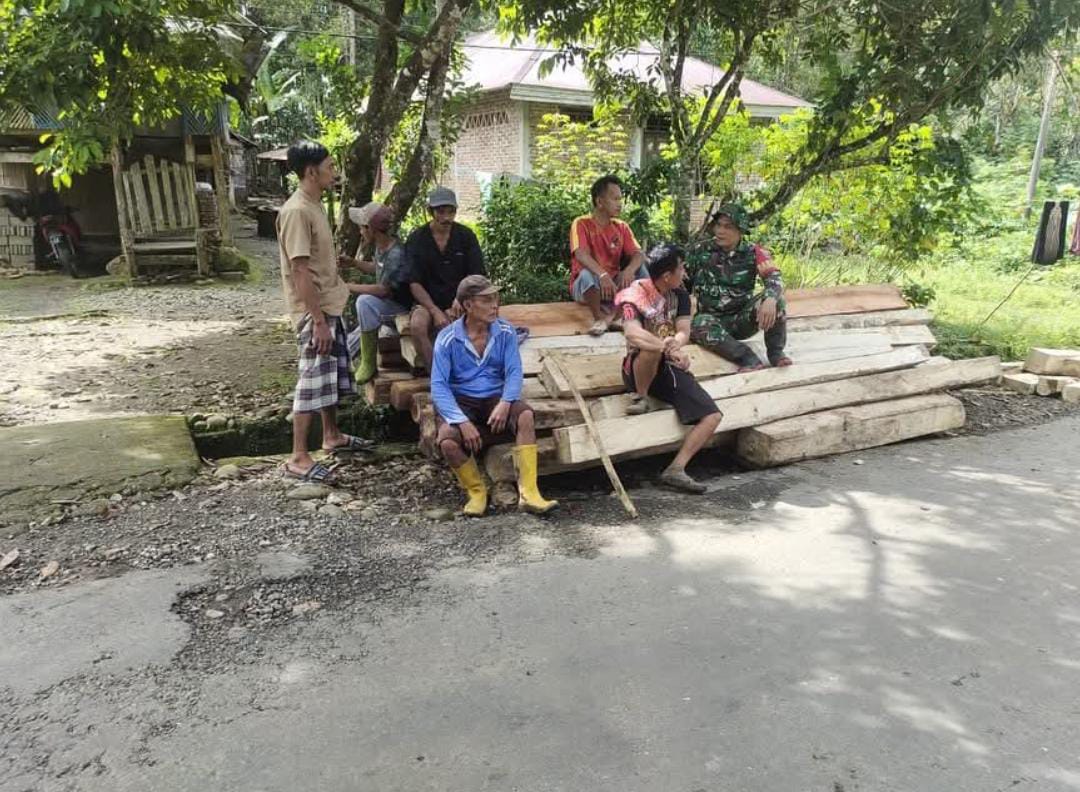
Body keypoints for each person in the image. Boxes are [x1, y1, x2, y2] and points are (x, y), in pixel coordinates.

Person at [277, 140, 373, 482]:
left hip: (329, 303)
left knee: (328, 375)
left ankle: (331, 435)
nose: (335, 172)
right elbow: (299, 270)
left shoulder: (314, 205)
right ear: (310, 172)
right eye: (330, 167)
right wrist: (317, 320)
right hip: (313, 310)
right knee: (311, 379)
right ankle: (298, 457)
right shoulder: (296, 211)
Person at [431, 275, 558, 517]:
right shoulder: (447, 338)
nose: (495, 305)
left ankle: (529, 493)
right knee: (447, 440)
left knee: (525, 416)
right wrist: (461, 421)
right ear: (468, 305)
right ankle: (477, 492)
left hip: (494, 397)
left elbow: (514, 372)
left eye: (495, 299)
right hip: (461, 400)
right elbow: (438, 386)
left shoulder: (505, 331)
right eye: (486, 300)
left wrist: (505, 402)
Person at [614, 243, 723, 494]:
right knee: (650, 349)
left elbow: (684, 330)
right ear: (666, 275)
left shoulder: (680, 295)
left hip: (668, 366)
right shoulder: (634, 295)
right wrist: (666, 348)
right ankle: (641, 397)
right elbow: (632, 333)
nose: (684, 272)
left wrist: (677, 343)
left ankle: (675, 469)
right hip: (638, 368)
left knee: (712, 416)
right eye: (681, 268)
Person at [686, 203, 791, 371]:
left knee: (777, 302)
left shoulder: (754, 253)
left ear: (740, 231)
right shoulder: (700, 251)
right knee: (699, 323)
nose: (720, 231)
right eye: (718, 225)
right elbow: (681, 280)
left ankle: (776, 354)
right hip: (711, 322)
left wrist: (770, 298)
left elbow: (775, 278)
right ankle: (748, 358)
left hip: (742, 319)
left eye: (727, 227)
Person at [407, 187, 485, 371]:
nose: (446, 217)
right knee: (417, 326)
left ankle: (468, 371)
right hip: (427, 302)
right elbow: (413, 282)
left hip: (461, 300)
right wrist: (435, 311)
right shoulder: (417, 239)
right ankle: (436, 373)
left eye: (451, 212)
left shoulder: (466, 236)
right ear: (431, 212)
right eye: (441, 212)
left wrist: (461, 298)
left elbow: (477, 274)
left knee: (465, 327)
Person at [569, 174, 648, 336]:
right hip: (587, 288)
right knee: (586, 274)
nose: (620, 204)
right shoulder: (581, 223)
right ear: (599, 202)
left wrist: (629, 271)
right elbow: (581, 254)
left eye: (620, 199)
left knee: (640, 269)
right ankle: (599, 319)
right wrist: (602, 275)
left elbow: (639, 254)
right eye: (615, 199)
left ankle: (614, 317)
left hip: (613, 286)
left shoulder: (622, 227)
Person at [341, 202, 411, 383]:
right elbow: (377, 268)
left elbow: (383, 289)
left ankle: (368, 362)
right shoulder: (382, 247)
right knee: (363, 312)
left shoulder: (396, 253)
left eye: (362, 228)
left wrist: (347, 287)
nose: (360, 232)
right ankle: (351, 364)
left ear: (371, 229)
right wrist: (354, 263)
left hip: (401, 309)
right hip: (389, 305)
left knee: (364, 302)